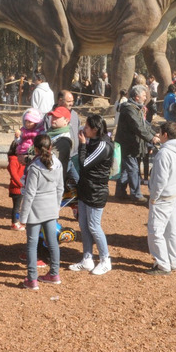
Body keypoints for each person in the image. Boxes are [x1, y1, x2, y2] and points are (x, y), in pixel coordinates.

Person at [69, 114, 115, 275]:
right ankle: (87, 258)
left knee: (94, 226)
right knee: (83, 225)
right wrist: (85, 143)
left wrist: (82, 144)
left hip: (97, 191)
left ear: (95, 129)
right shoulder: (93, 141)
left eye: (87, 127)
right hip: (85, 189)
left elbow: (84, 164)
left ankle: (105, 260)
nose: (84, 129)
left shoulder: (103, 145)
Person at [19, 134, 65, 290]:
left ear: (36, 149)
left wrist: (23, 217)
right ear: (50, 147)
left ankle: (32, 279)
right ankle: (54, 273)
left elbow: (29, 193)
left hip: (35, 210)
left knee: (31, 245)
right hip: (51, 208)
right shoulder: (57, 163)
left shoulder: (34, 167)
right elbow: (60, 188)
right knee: (52, 242)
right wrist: (56, 206)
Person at [146, 122, 176, 275]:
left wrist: (153, 197)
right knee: (171, 230)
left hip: (163, 197)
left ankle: (163, 264)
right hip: (175, 194)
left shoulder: (164, 153)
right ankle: (173, 260)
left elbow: (160, 180)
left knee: (155, 231)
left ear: (165, 135)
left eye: (159, 133)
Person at [114, 84, 159, 201]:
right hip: (127, 144)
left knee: (125, 169)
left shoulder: (136, 108)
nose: (146, 98)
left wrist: (154, 134)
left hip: (130, 145)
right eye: (144, 96)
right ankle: (136, 194)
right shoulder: (130, 109)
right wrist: (151, 138)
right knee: (133, 168)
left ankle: (120, 192)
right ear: (136, 97)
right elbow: (138, 127)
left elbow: (145, 125)